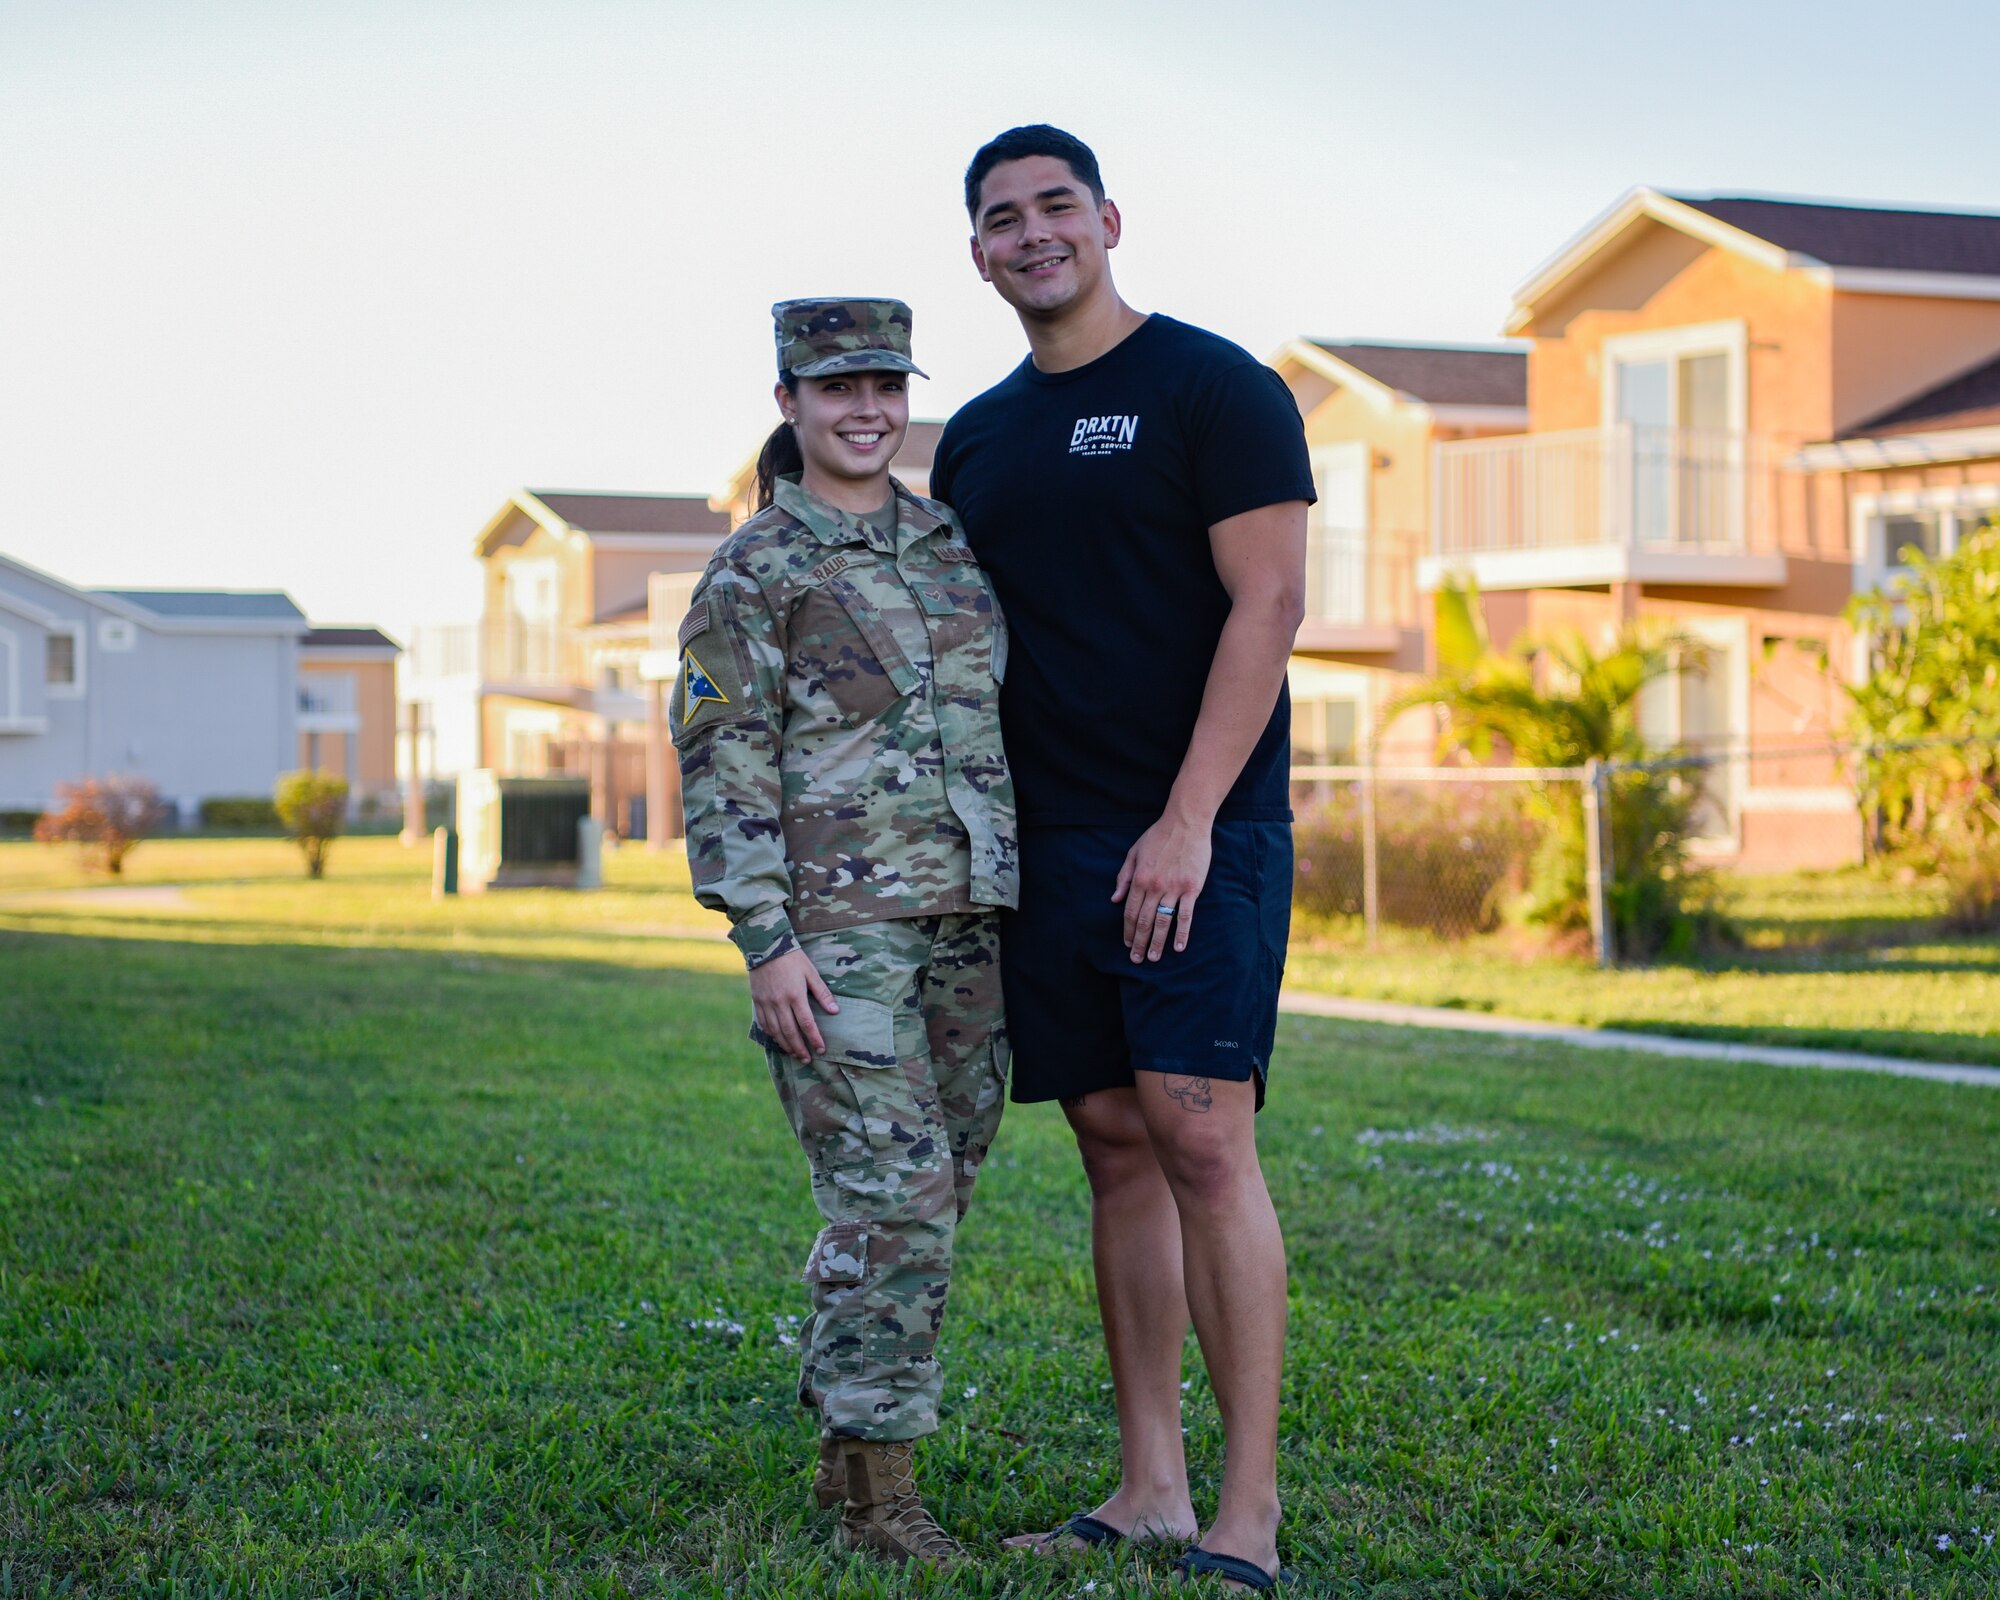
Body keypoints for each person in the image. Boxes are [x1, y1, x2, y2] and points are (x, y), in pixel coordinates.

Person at [928, 126, 1312, 1592]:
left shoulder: (1214, 389)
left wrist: (1188, 819)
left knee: (1206, 1137)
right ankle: (1150, 1484)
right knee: (1111, 1145)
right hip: (1048, 842)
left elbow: (1266, 608)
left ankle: (1247, 1512)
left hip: (1198, 830)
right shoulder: (978, 435)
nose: (1032, 235)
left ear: (1108, 219)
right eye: (1001, 219)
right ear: (977, 254)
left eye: (1054, 207)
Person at [671, 297, 1017, 1566]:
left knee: (938, 1186)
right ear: (788, 405)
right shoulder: (754, 569)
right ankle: (881, 1498)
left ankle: (842, 1456)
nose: (865, 409)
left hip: (967, 918)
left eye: (883, 384)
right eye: (835, 389)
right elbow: (720, 758)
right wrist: (765, 938)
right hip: (837, 932)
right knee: (898, 1191)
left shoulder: (942, 543)